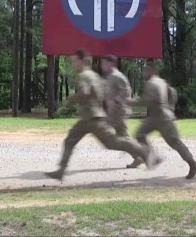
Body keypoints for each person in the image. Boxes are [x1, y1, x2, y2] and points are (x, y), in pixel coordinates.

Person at [44, 50, 151, 181]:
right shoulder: (94, 75)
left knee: (112, 142)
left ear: (82, 61)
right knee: (71, 140)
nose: (73, 63)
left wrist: (71, 99)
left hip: (93, 118)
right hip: (89, 117)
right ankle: (60, 171)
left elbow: (84, 93)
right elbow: (101, 93)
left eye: (74, 60)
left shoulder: (84, 75)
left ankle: (144, 153)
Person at [127, 62, 196, 179]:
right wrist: (171, 108)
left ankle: (193, 164)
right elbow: (173, 93)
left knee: (174, 142)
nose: (143, 74)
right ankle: (154, 157)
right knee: (140, 134)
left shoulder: (151, 84)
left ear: (152, 71)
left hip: (160, 117)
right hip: (157, 116)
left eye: (145, 71)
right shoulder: (161, 82)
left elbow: (146, 101)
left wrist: (130, 102)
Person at [100, 55, 138, 167]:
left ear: (111, 63)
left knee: (121, 137)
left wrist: (116, 100)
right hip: (113, 112)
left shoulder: (117, 76)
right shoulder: (110, 77)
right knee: (121, 137)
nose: (102, 66)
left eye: (104, 63)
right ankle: (139, 155)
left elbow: (126, 90)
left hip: (119, 111)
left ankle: (142, 154)